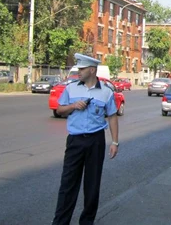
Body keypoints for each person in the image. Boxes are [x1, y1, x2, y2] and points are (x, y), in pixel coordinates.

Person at [52, 53, 119, 225]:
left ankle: (87, 221)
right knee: (68, 184)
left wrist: (114, 142)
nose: (78, 72)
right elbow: (59, 110)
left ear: (92, 70)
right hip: (75, 141)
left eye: (81, 69)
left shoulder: (106, 92)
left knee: (92, 184)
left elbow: (112, 116)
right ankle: (60, 222)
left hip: (95, 141)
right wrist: (73, 106)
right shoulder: (71, 88)